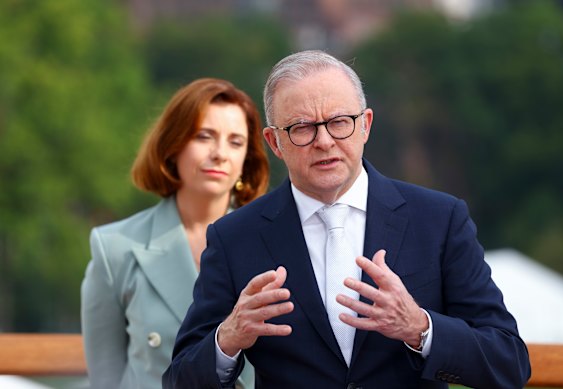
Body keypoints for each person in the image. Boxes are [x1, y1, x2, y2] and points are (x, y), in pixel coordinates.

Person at [163, 51, 531, 388]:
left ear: (365, 125)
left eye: (339, 122)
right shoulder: (234, 237)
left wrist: (420, 327)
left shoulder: (439, 219)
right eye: (302, 128)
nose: (324, 141)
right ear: (275, 143)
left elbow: (508, 362)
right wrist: (227, 338)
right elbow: (179, 379)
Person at [81, 78, 269, 389]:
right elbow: (106, 380)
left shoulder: (273, 241)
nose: (220, 153)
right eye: (204, 136)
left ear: (246, 160)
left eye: (236, 142)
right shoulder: (113, 248)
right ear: (173, 146)